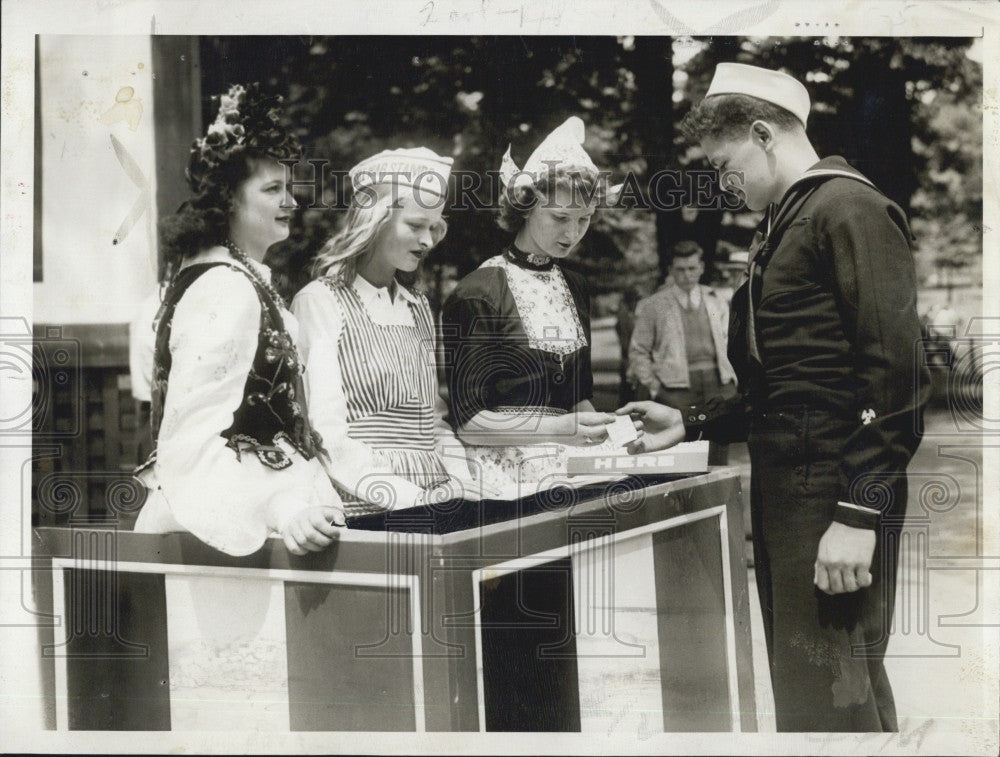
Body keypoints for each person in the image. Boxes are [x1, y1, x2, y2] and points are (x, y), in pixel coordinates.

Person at [619, 63, 929, 732]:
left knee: (836, 693)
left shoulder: (848, 208)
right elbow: (787, 381)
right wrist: (692, 418)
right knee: (815, 690)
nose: (724, 186)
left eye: (725, 165)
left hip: (834, 492)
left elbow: (898, 375)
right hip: (793, 492)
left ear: (763, 134)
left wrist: (857, 512)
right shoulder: (786, 223)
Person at [134, 83, 344, 557]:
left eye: (289, 188)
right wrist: (283, 511)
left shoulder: (234, 276)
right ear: (229, 200)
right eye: (273, 190)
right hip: (223, 524)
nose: (291, 202)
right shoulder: (224, 287)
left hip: (273, 508)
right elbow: (193, 441)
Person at [441, 117, 625, 491]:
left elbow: (578, 400)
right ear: (525, 207)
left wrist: (610, 434)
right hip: (505, 477)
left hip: (572, 465)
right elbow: (470, 422)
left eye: (584, 219)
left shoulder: (574, 287)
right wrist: (560, 429)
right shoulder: (479, 291)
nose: (572, 233)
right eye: (559, 218)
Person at [292, 148, 477, 517]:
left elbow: (433, 420)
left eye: (434, 228)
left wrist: (461, 481)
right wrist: (411, 499)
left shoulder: (418, 307)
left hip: (436, 495)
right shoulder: (320, 301)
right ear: (375, 220)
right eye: (415, 225)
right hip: (364, 501)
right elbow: (325, 434)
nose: (428, 241)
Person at [627, 240, 737, 464]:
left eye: (692, 268)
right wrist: (655, 387)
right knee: (683, 456)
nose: (687, 275)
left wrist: (735, 377)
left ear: (701, 268)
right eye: (680, 269)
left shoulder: (716, 300)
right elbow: (639, 351)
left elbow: (731, 342)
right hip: (677, 388)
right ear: (671, 270)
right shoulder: (654, 305)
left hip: (719, 385)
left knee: (718, 453)